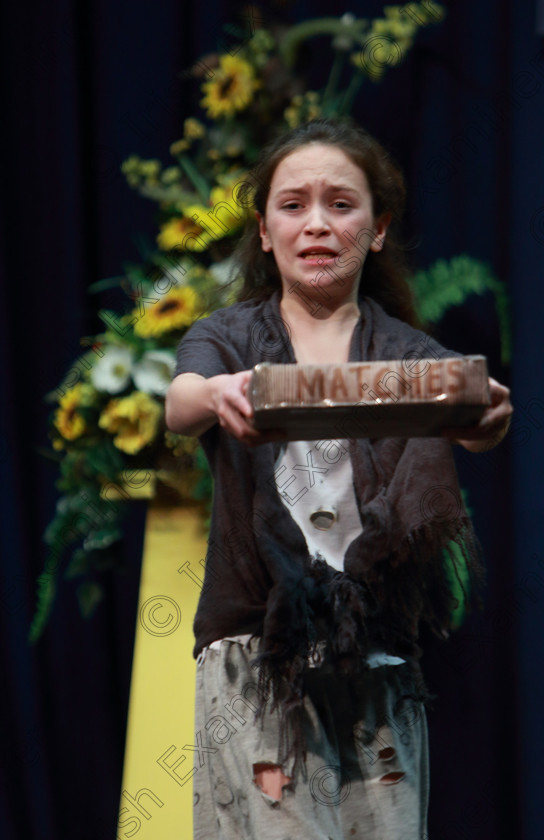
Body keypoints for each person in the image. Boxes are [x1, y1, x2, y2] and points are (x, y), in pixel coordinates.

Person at [166, 119, 512, 840]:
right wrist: (219, 393)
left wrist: (488, 419)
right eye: (293, 205)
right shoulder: (229, 336)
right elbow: (181, 403)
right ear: (264, 230)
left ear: (378, 229)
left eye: (341, 204)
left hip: (376, 653)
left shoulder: (407, 355)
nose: (317, 224)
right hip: (260, 653)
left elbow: (478, 421)